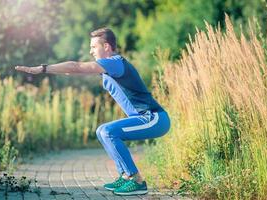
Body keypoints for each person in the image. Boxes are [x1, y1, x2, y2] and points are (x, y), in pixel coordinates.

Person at [15, 28, 170, 196]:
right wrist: (49, 70)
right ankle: (125, 176)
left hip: (153, 118)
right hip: (145, 118)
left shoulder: (115, 62)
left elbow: (76, 66)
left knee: (108, 131)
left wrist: (42, 68)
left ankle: (136, 180)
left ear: (106, 46)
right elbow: (71, 70)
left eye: (94, 47)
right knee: (102, 131)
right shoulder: (108, 66)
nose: (91, 51)